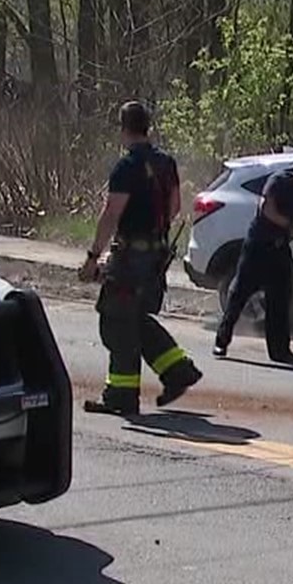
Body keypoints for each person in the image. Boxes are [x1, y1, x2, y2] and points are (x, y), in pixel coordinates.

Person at [79, 102, 202, 416]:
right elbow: (174, 207)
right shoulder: (166, 163)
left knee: (116, 321)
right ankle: (178, 370)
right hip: (156, 255)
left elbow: (111, 214)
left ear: (122, 129)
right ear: (148, 127)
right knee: (134, 317)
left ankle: (121, 395)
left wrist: (94, 256)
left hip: (131, 256)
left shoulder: (127, 166)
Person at [214, 160, 293, 363]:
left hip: (280, 249)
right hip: (258, 246)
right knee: (240, 293)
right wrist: (289, 225)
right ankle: (222, 341)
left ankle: (280, 351)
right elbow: (267, 208)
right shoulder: (280, 181)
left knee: (280, 300)